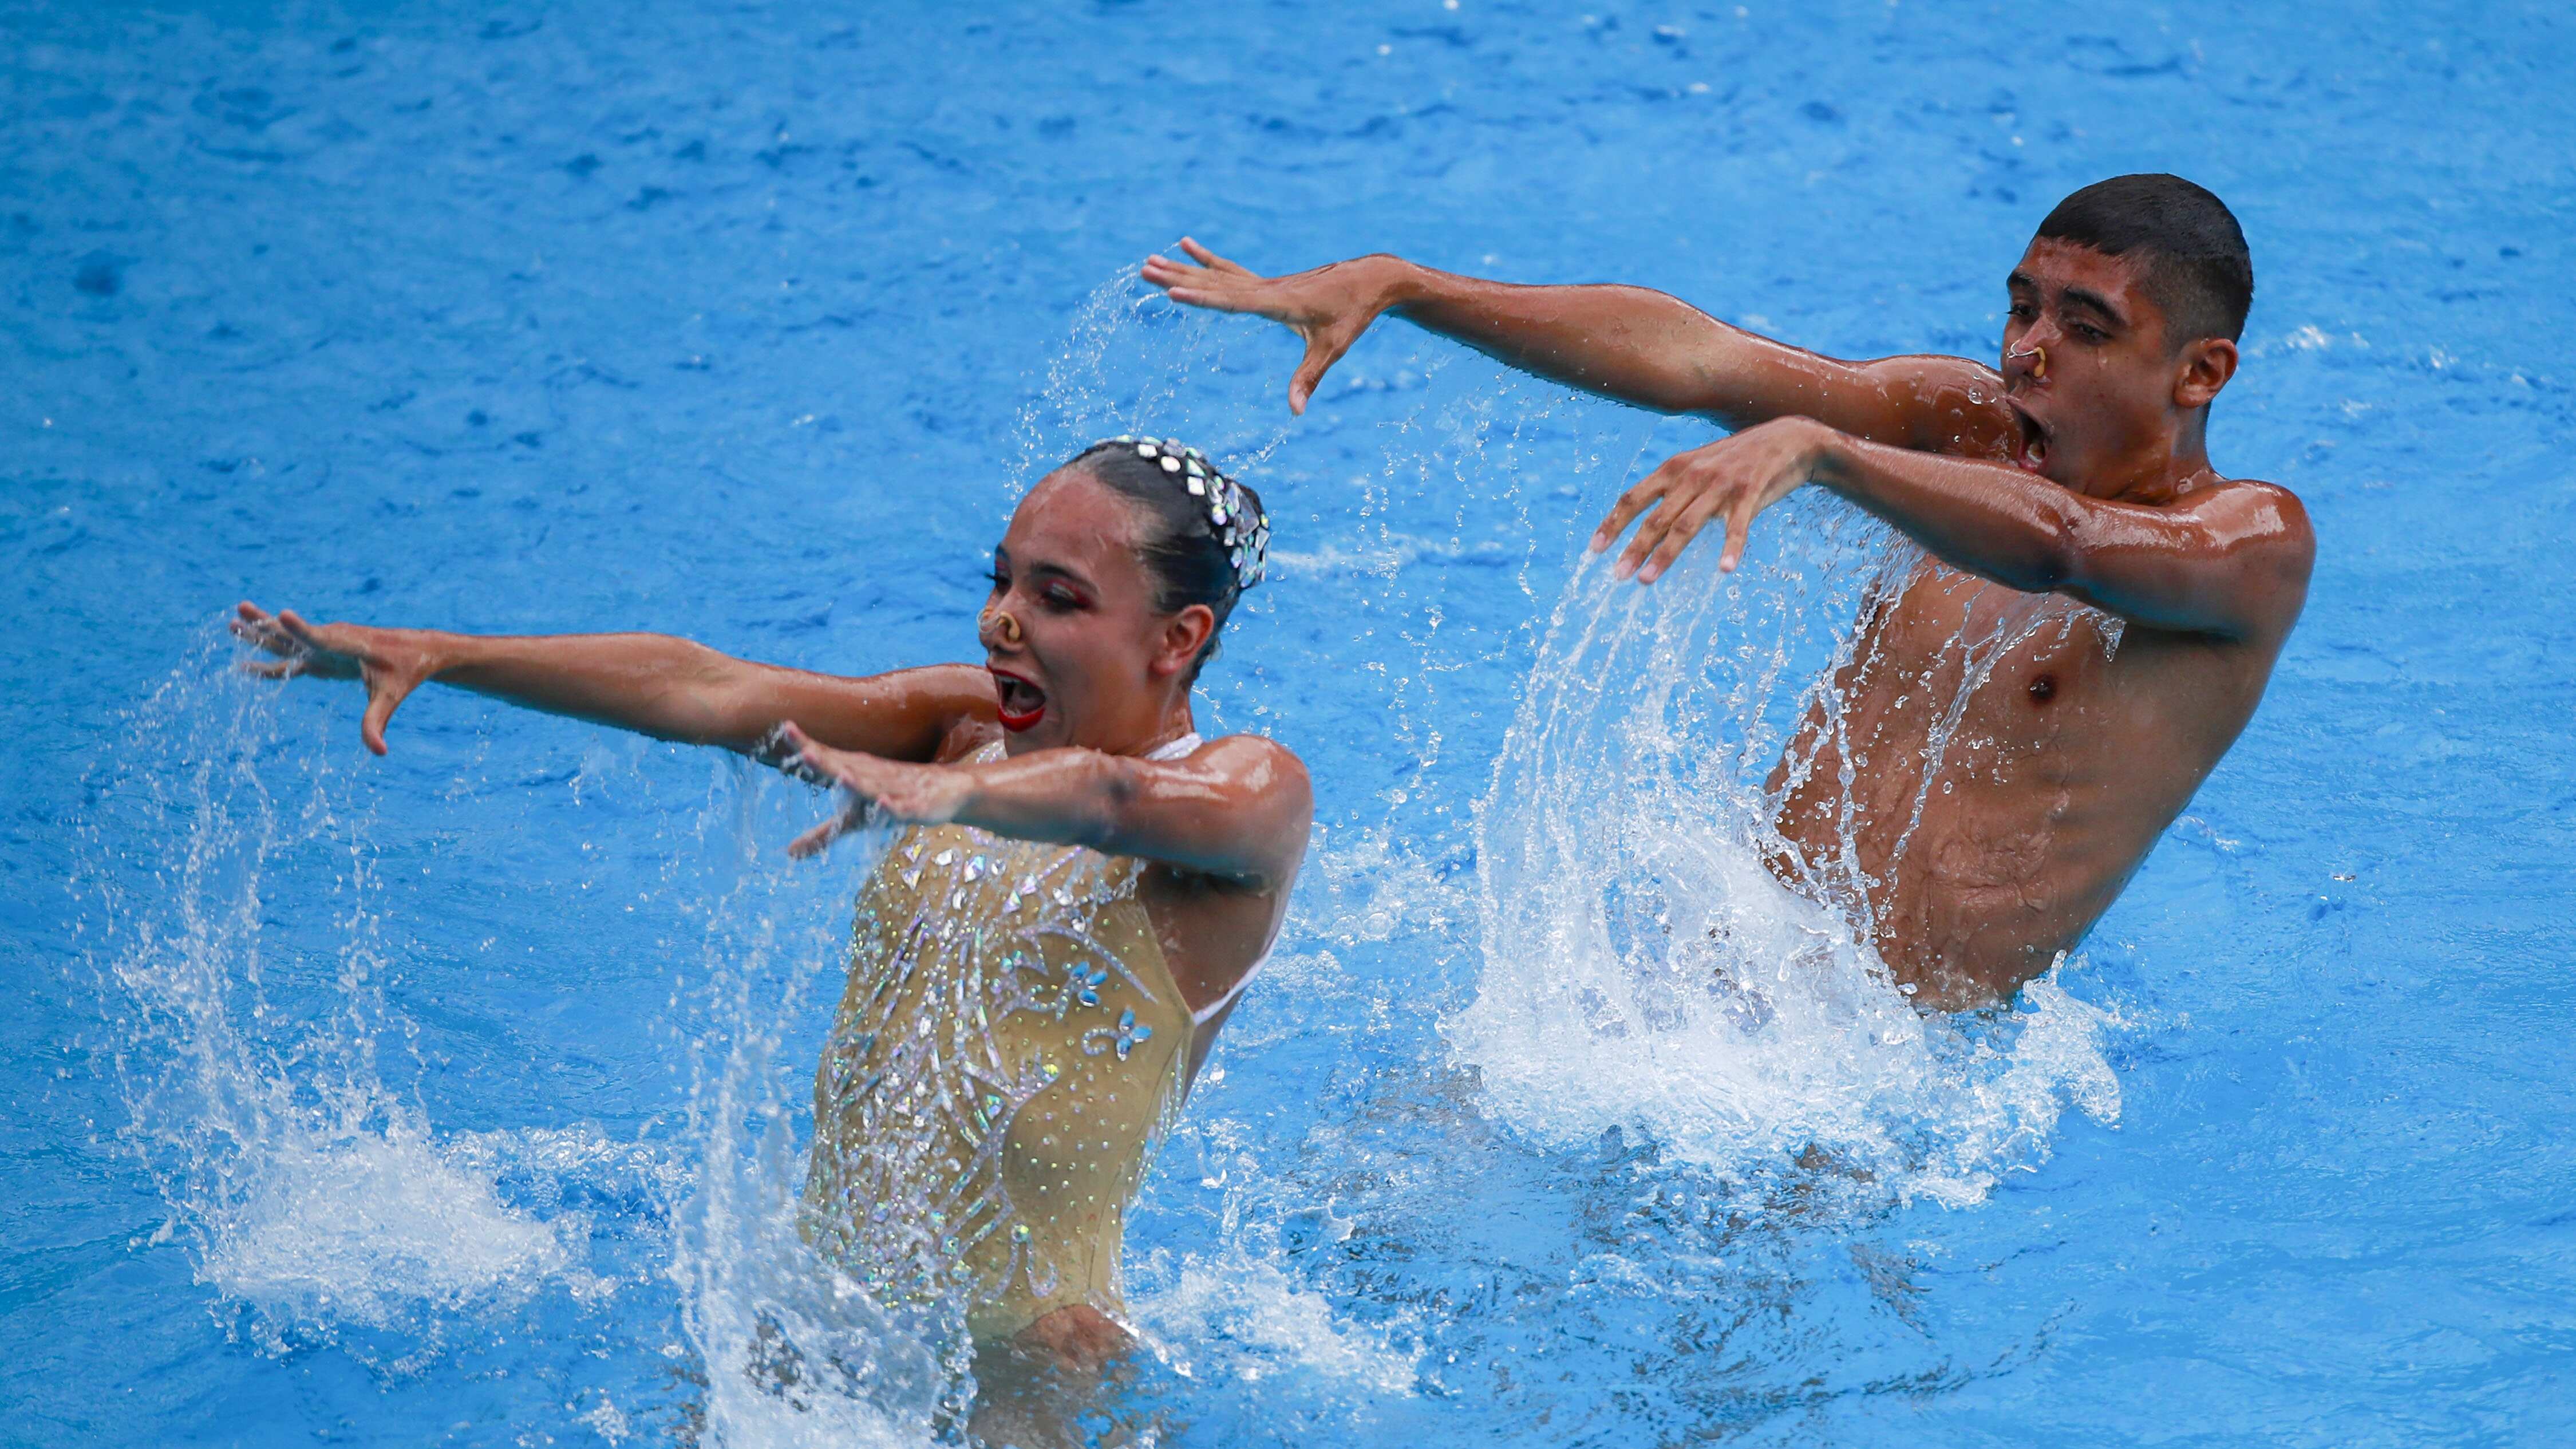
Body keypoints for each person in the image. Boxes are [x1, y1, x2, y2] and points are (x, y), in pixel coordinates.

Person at [232, 437, 1311, 1377]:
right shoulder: (963, 725)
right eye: (1000, 581)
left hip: (1030, 1367)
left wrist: (960, 792)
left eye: (1056, 598)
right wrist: (446, 655)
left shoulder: (1250, 796)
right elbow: (708, 688)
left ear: (1178, 638)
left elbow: (1116, 797)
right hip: (816, 1325)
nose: (1000, 623)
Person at [1145, 173, 2311, 1010]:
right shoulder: (1967, 430)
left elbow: (2061, 546)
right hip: (1710, 968)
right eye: (2022, 307)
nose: (2025, 352)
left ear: (2201, 372)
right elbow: (1706, 359)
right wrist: (1410, 288)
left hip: (1888, 1072)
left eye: (2085, 328)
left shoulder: (2249, 546)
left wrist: (1826, 454)